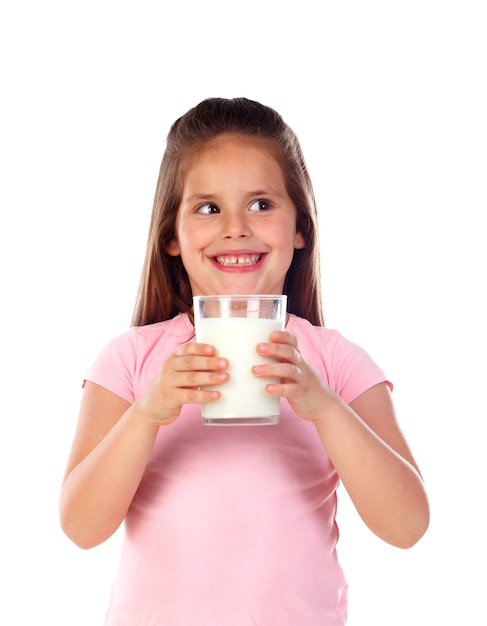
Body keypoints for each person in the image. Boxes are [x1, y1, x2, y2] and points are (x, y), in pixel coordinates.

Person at [59, 97, 429, 625]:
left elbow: (408, 525)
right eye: (208, 208)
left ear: (300, 228)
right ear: (171, 236)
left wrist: (323, 406)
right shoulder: (131, 359)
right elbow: (80, 527)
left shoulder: (336, 361)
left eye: (261, 204)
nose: (236, 227)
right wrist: (147, 413)